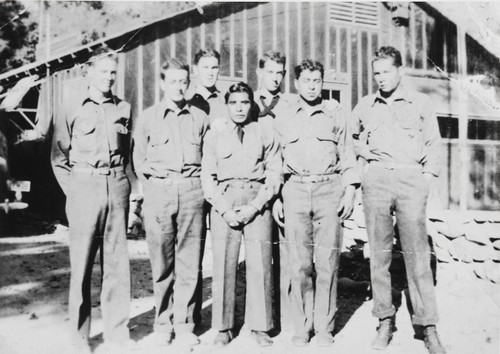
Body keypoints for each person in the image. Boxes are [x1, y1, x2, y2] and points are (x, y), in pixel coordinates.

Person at [351, 46, 445, 354]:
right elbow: (351, 138)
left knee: (417, 256)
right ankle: (385, 321)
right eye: (376, 72)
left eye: (386, 71)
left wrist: (425, 179)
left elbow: (433, 143)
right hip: (377, 180)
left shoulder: (420, 102)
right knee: (379, 256)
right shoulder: (365, 105)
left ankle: (427, 326)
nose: (380, 78)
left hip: (410, 180)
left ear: (400, 71)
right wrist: (366, 160)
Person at [50, 47, 133, 353]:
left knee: (116, 266)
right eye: (103, 72)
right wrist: (75, 192)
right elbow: (58, 157)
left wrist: (128, 189)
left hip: (116, 186)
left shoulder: (123, 107)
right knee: (82, 266)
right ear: (89, 73)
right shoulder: (71, 106)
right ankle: (80, 336)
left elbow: (127, 154)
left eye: (113, 72)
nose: (109, 78)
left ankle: (117, 334)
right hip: (84, 187)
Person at [273, 59, 359, 347]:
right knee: (299, 265)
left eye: (317, 80)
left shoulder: (335, 113)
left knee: (327, 262)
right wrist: (276, 197)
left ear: (323, 82)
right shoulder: (284, 115)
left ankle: (324, 327)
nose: (312, 86)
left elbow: (348, 154)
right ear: (296, 83)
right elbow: (275, 159)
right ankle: (302, 327)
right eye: (306, 80)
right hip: (294, 189)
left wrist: (350, 190)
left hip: (328, 189)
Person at [132, 57, 209, 349]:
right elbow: (138, 161)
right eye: (173, 81)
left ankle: (185, 324)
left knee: (190, 263)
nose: (179, 87)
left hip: (192, 192)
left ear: (189, 83)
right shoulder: (148, 118)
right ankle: (163, 323)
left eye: (183, 81)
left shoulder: (200, 118)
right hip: (159, 193)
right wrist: (152, 192)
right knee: (162, 264)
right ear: (163, 83)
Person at [201, 82, 281, 347]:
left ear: (251, 105)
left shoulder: (264, 132)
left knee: (259, 264)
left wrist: (256, 206)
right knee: (224, 263)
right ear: (227, 105)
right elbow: (207, 176)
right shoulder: (215, 136)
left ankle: (260, 326)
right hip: (225, 202)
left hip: (256, 202)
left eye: (244, 102)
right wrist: (223, 208)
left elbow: (273, 173)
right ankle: (224, 327)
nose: (239, 107)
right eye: (234, 102)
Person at [253, 50, 294, 332]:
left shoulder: (292, 103)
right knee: (259, 258)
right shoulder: (245, 102)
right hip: (257, 187)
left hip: (287, 186)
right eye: (270, 72)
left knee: (289, 256)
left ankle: (291, 320)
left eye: (280, 72)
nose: (275, 78)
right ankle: (262, 322)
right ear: (260, 72)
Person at [187, 48, 228, 124]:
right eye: (205, 67)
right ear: (195, 69)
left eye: (214, 68)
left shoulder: (225, 101)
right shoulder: (185, 98)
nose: (210, 73)